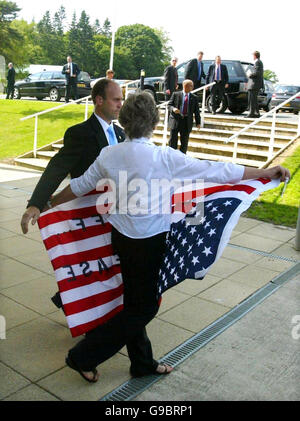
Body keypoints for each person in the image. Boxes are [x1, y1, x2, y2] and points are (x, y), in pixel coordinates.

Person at [26, 91, 289, 383]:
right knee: (145, 306)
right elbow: (217, 170)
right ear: (153, 122)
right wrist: (265, 171)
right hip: (149, 244)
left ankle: (141, 362)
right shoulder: (163, 156)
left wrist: (49, 203)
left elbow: (78, 186)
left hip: (121, 238)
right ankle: (83, 355)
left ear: (124, 120)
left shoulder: (110, 154)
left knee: (133, 302)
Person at [20, 79, 126, 309]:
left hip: (111, 213)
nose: (121, 104)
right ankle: (81, 308)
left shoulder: (120, 134)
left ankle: (71, 298)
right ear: (99, 100)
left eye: (122, 99)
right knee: (89, 262)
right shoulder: (81, 133)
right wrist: (37, 203)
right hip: (85, 214)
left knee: (104, 262)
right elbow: (58, 167)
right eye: (116, 99)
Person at [168, 79, 201, 154]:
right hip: (176, 121)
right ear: (185, 86)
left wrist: (198, 122)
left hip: (186, 122)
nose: (192, 87)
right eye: (191, 86)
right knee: (173, 141)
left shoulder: (194, 98)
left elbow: (196, 111)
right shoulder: (176, 94)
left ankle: (182, 158)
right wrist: (173, 109)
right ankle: (171, 156)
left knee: (184, 142)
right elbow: (169, 105)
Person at [245, 51, 264, 118]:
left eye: (253, 55)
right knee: (253, 99)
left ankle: (251, 113)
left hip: (254, 84)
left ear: (255, 56)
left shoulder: (258, 62)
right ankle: (256, 113)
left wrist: (249, 74)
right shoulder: (258, 62)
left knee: (252, 99)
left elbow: (257, 73)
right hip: (253, 84)